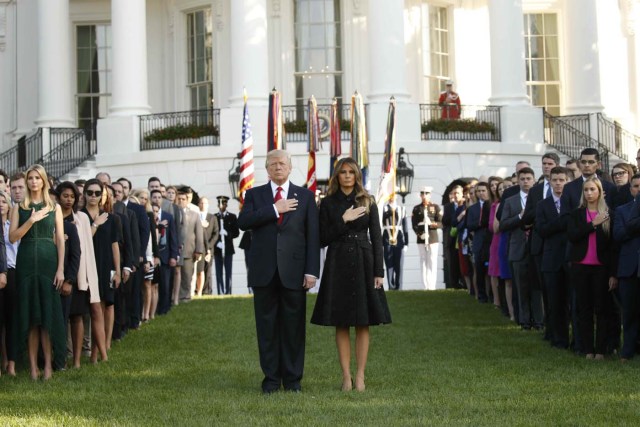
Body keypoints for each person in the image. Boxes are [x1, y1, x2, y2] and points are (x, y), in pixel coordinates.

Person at [238, 149, 320, 394]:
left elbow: (312, 237)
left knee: (293, 328)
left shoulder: (305, 196)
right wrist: (276, 209)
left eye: (282, 163)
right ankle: (271, 380)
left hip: (295, 273)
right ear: (266, 169)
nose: (277, 167)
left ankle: (293, 380)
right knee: (267, 329)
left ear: (290, 166)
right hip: (264, 272)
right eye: (272, 164)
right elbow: (244, 222)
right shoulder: (254, 195)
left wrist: (311, 271)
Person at [311, 157, 390, 392]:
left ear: (357, 175)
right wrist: (342, 220)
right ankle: (346, 376)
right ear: (337, 176)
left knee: (363, 322)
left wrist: (379, 271)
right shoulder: (327, 204)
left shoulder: (368, 200)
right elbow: (322, 238)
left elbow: (377, 238)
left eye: (351, 172)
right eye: (342, 172)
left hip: (364, 260)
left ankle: (361, 375)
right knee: (342, 322)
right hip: (337, 261)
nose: (347, 175)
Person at [9, 165, 65, 380]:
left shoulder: (54, 207)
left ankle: (49, 367)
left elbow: (60, 240)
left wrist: (60, 269)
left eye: (36, 178)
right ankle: (33, 368)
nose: (33, 182)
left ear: (43, 181)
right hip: (25, 260)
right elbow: (13, 238)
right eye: (30, 178)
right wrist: (31, 220)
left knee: (47, 315)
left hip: (48, 261)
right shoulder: (19, 207)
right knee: (31, 315)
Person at [567, 176, 618, 359]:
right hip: (580, 267)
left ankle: (601, 350)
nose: (589, 193)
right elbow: (572, 236)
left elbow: (613, 247)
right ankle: (587, 349)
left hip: (601, 269)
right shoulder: (577, 214)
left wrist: (613, 274)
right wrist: (592, 225)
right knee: (584, 309)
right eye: (586, 190)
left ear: (600, 192)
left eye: (592, 190)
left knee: (602, 309)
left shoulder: (608, 214)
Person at [500, 167, 543, 330]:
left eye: (528, 178)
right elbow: (503, 224)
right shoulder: (511, 201)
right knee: (520, 286)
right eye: (522, 178)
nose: (526, 181)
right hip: (518, 248)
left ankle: (539, 321)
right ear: (518, 180)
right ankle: (524, 321)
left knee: (537, 287)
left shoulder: (540, 199)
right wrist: (520, 216)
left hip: (536, 247)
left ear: (534, 180)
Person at [82, 179, 121, 359]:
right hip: (85, 266)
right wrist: (95, 224)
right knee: (90, 310)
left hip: (105, 266)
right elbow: (83, 241)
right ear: (84, 194)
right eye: (90, 192)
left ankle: (97, 353)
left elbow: (115, 246)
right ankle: (92, 351)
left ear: (102, 195)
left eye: (97, 193)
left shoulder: (111, 218)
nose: (93, 196)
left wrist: (118, 271)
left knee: (103, 307)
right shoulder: (79, 216)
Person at [535, 167, 571, 349]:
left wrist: (557, 224)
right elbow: (542, 230)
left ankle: (576, 340)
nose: (558, 183)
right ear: (550, 182)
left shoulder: (573, 203)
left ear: (567, 181)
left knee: (572, 302)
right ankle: (559, 339)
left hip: (572, 257)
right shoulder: (543, 205)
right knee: (554, 302)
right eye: (555, 180)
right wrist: (563, 222)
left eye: (562, 180)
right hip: (551, 260)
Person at [613, 173, 640, 362]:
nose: (639, 189)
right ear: (631, 189)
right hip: (628, 268)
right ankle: (627, 351)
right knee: (629, 312)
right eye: (636, 186)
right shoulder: (622, 211)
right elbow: (619, 235)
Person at [176, 188, 204, 302]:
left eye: (183, 199)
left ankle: (186, 296)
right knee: (176, 275)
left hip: (189, 249)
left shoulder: (194, 214)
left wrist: (199, 250)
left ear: (187, 201)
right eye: (179, 199)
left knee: (187, 275)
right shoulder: (172, 212)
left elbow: (199, 233)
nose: (181, 201)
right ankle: (176, 296)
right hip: (175, 250)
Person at [412, 186, 442, 290]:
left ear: (430, 195)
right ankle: (425, 286)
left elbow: (441, 223)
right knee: (423, 260)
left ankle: (432, 286)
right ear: (420, 195)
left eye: (427, 193)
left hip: (433, 237)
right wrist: (420, 234)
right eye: (423, 193)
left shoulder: (436, 207)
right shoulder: (416, 208)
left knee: (432, 261)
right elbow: (414, 224)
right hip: (421, 238)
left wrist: (433, 224)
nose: (424, 196)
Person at [0, 190, 16, 376]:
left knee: (11, 320)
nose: (0, 204)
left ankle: (11, 363)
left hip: (12, 274)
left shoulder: (13, 226)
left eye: (3, 201)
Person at [381, 193, 408, 290]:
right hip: (387, 237)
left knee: (399, 264)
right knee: (389, 263)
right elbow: (380, 221)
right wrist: (388, 213)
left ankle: (399, 286)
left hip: (399, 238)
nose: (392, 196)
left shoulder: (402, 209)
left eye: (394, 194)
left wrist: (406, 243)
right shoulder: (383, 209)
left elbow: (405, 227)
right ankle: (391, 286)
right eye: (390, 194)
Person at [214, 195, 239, 295]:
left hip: (228, 249)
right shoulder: (214, 217)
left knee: (228, 272)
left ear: (226, 205)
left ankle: (228, 292)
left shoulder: (232, 217)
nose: (221, 206)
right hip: (218, 248)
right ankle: (220, 291)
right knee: (218, 272)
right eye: (220, 204)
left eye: (223, 204)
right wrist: (217, 243)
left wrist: (227, 233)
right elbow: (211, 233)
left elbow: (236, 233)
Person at [196, 197, 219, 296]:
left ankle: (207, 291)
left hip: (209, 249)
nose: (203, 205)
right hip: (198, 248)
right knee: (198, 270)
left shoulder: (212, 217)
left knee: (207, 270)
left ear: (208, 205)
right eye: (201, 203)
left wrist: (209, 246)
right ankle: (197, 290)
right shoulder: (196, 216)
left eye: (205, 203)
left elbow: (216, 233)